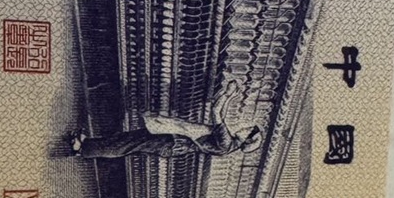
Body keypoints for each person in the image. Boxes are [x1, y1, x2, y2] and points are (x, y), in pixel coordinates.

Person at [72, 80, 260, 160]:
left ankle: (83, 149)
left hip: (171, 142)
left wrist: (227, 94)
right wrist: (230, 96)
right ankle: (87, 144)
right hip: (172, 140)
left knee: (127, 145)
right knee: (126, 140)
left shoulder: (227, 142)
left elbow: (216, 111)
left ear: (247, 139)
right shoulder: (229, 143)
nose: (244, 128)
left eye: (248, 131)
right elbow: (221, 116)